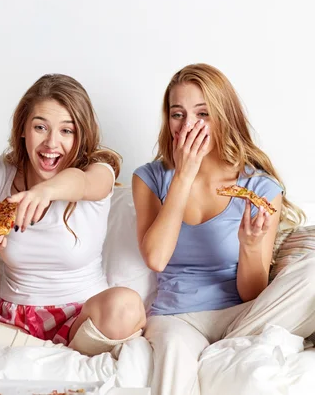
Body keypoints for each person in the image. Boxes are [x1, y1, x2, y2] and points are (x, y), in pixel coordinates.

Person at [132, 63, 315, 395]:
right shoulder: (150, 178)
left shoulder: (260, 187)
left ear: (223, 116)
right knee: (173, 354)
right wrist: (184, 175)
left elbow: (252, 293)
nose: (188, 125)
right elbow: (156, 259)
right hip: (178, 316)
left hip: (242, 315)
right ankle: (231, 355)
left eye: (202, 113)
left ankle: (223, 351)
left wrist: (249, 245)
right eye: (178, 114)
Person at [0, 74, 146, 357]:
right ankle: (55, 355)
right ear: (23, 130)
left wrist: (44, 191)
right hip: (15, 320)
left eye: (67, 131)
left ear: (81, 136)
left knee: (127, 306)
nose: (51, 143)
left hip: (82, 320)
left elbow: (81, 183)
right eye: (40, 127)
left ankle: (42, 354)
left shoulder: (99, 170)